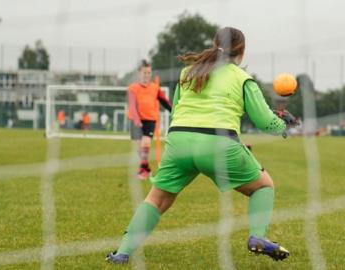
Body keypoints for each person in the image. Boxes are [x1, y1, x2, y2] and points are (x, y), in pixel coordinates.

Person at [106, 27, 294, 264]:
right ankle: (257, 236)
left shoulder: (188, 72)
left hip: (179, 142)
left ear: (215, 45)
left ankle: (121, 253)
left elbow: (177, 111)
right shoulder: (243, 78)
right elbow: (265, 121)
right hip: (219, 144)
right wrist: (284, 125)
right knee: (263, 186)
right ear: (242, 52)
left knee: (157, 199)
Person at [127, 59, 172, 179]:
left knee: (145, 143)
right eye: (144, 73)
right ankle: (146, 168)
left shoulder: (155, 88)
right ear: (139, 73)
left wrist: (174, 111)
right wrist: (136, 119)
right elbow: (132, 105)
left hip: (150, 120)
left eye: (148, 73)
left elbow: (165, 102)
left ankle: (142, 171)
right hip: (135, 120)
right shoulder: (132, 88)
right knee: (138, 148)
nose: (146, 75)